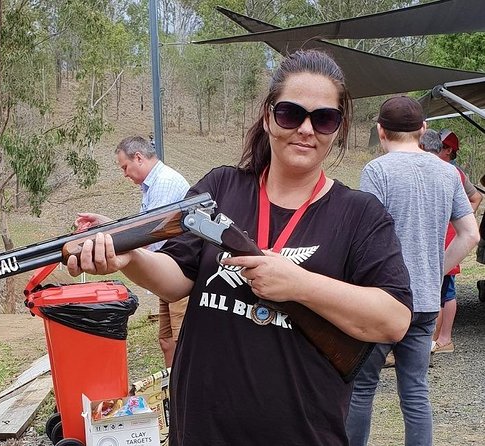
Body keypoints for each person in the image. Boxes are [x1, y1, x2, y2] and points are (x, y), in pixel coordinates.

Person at [68, 49, 413, 445]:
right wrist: (129, 256)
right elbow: (177, 279)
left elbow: (394, 319)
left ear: (338, 128)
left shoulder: (360, 214)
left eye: (324, 118)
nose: (305, 129)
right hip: (203, 428)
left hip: (303, 432)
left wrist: (300, 285)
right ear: (268, 116)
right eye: (290, 113)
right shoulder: (221, 188)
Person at [347, 97, 479, 446]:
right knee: (415, 391)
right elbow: (471, 234)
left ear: (380, 130)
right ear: (423, 130)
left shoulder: (378, 171)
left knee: (361, 388)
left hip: (383, 298)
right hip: (425, 299)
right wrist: (436, 272)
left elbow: (365, 237)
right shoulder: (448, 172)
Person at [76, 135, 190, 368]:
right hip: (164, 271)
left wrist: (111, 244)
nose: (125, 174)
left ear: (138, 157)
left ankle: (185, 395)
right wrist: (106, 225)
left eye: (125, 167)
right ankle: (171, 394)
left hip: (180, 271)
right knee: (167, 340)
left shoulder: (165, 183)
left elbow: (149, 235)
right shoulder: (152, 186)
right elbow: (141, 229)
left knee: (183, 341)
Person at [419, 129, 481, 354]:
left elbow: (475, 198)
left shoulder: (453, 172)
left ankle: (439, 340)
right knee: (442, 290)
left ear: (448, 150)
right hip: (442, 235)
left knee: (443, 291)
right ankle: (438, 340)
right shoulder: (444, 170)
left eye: (442, 146)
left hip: (447, 238)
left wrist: (459, 219)